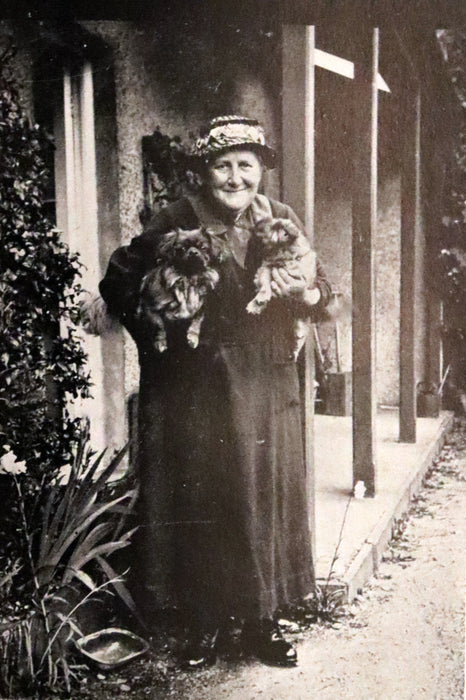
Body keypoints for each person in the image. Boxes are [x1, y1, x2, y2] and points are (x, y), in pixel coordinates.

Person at [99, 115, 331, 667]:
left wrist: (311, 298)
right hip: (195, 385)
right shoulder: (174, 219)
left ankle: (261, 621)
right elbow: (118, 282)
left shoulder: (279, 218)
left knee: (261, 498)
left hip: (266, 382)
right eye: (222, 166)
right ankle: (202, 621)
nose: (234, 178)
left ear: (261, 172)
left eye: (245, 166)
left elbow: (321, 283)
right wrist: (161, 318)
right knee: (204, 498)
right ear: (204, 172)